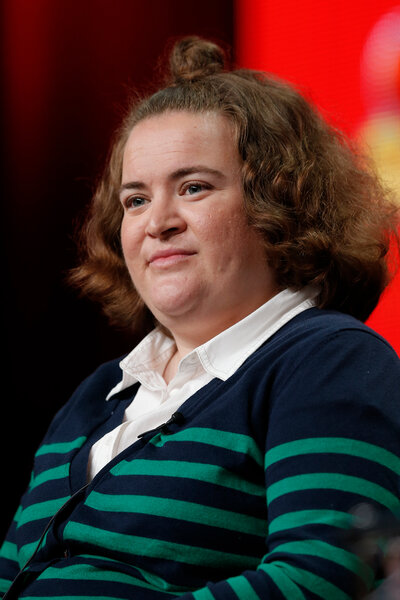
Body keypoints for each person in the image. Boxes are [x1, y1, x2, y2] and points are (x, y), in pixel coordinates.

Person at [1, 36, 400, 600]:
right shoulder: (98, 394)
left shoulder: (330, 361)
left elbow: (323, 580)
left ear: (280, 204)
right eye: (135, 200)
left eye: (193, 188)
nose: (157, 222)